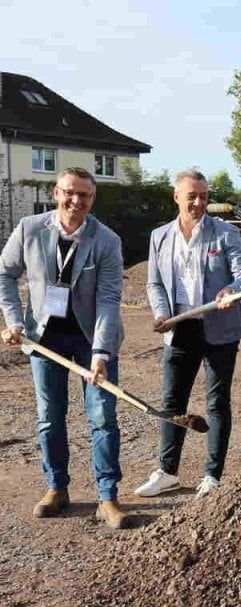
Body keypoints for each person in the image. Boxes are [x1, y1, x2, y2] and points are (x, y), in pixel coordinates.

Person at [0, 167, 127, 528]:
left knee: (102, 417)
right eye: (69, 192)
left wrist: (101, 354)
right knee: (49, 417)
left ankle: (107, 496)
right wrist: (13, 321)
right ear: (56, 193)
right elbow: (4, 274)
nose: (76, 201)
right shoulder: (29, 228)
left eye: (84, 195)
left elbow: (108, 299)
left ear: (93, 199)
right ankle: (57, 488)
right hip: (44, 338)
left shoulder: (107, 240)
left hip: (92, 338)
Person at [134, 169, 241, 498]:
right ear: (177, 198)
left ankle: (213, 475)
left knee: (217, 403)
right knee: (173, 401)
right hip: (180, 325)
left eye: (203, 196)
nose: (198, 203)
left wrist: (230, 290)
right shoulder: (160, 236)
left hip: (219, 324)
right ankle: (167, 471)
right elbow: (155, 283)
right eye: (192, 196)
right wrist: (162, 314)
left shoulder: (225, 233)